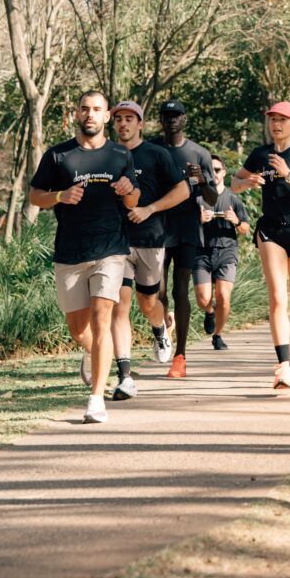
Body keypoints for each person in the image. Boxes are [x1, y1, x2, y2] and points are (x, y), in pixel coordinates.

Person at [29, 90, 140, 423]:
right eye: (84, 109)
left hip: (110, 248)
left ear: (107, 117)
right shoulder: (58, 156)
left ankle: (96, 400)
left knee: (101, 320)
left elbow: (134, 201)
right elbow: (35, 196)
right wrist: (61, 195)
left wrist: (128, 191)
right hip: (70, 251)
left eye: (97, 110)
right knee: (79, 329)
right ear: (76, 115)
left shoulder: (120, 155)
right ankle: (95, 355)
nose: (90, 114)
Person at [232, 101, 290, 389]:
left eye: (283, 119)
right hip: (270, 230)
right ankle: (283, 366)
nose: (276, 124)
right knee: (277, 298)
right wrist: (247, 183)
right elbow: (234, 182)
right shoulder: (260, 153)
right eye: (272, 119)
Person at [109, 100, 190, 398]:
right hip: (115, 241)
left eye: (130, 118)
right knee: (120, 305)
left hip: (150, 239)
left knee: (148, 304)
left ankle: (159, 328)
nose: (123, 124)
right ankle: (125, 377)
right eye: (118, 119)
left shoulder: (157, 154)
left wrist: (150, 209)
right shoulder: (107, 154)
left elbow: (183, 190)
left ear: (140, 123)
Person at [153, 99, 217, 378]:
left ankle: (180, 356)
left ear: (185, 119)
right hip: (155, 229)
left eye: (176, 116)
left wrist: (202, 180)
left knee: (181, 290)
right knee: (157, 291)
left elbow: (213, 199)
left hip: (188, 230)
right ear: (160, 120)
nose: (171, 121)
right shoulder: (150, 149)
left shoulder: (199, 153)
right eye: (166, 116)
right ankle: (161, 330)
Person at [193, 155, 251, 350]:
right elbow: (185, 227)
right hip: (201, 252)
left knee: (224, 296)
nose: (214, 173)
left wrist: (236, 221)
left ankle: (218, 335)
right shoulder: (198, 197)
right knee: (203, 299)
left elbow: (245, 228)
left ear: (224, 173)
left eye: (217, 170)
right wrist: (198, 221)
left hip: (227, 251)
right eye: (210, 170)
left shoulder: (233, 199)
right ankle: (210, 311)